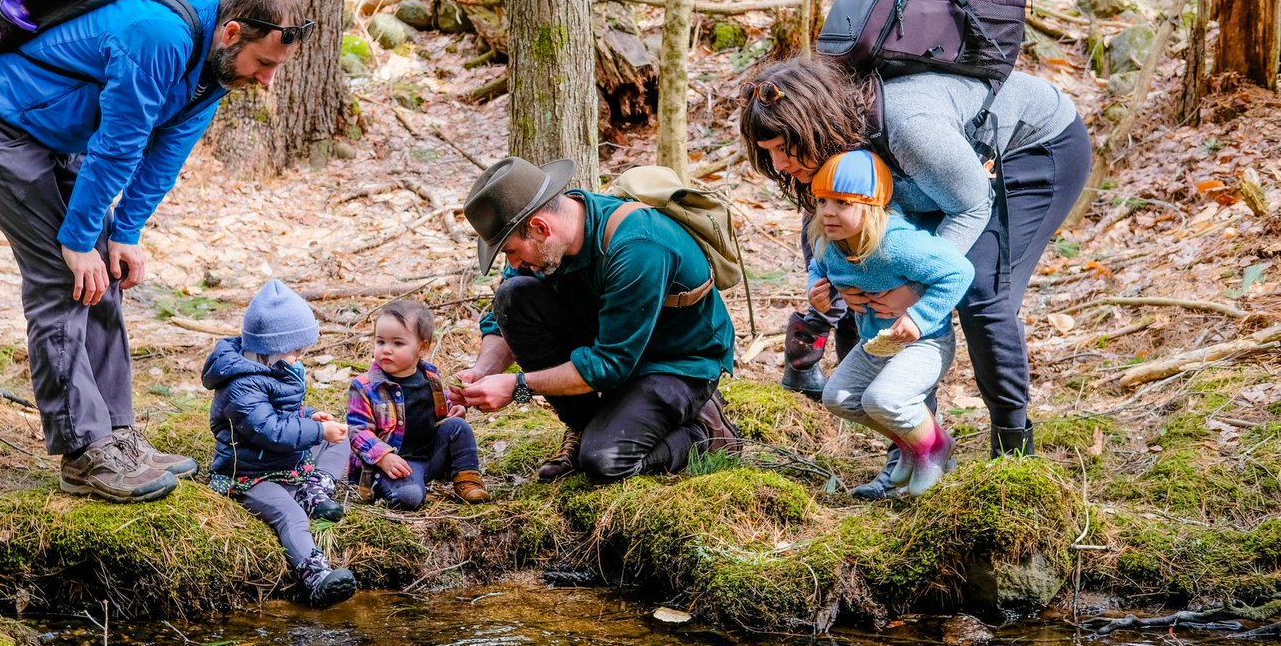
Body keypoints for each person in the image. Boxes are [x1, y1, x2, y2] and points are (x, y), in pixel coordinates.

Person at [0, 0, 314, 503]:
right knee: (62, 275)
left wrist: (125, 233)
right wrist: (77, 239)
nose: (269, 80)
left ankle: (115, 434)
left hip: (53, 128)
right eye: (266, 64)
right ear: (231, 33)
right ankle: (81, 452)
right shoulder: (159, 37)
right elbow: (118, 146)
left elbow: (166, 154)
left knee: (103, 271)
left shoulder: (216, 69)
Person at [738, 57, 1093, 497]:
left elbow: (971, 205)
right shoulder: (838, 156)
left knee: (981, 290)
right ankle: (911, 450)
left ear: (814, 127)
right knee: (865, 284)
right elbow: (828, 245)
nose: (778, 163)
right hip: (943, 178)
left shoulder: (907, 128)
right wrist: (836, 289)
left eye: (782, 148)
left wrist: (915, 291)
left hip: (1031, 150)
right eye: (767, 151)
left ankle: (1013, 455)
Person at [449, 156, 739, 484]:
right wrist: (481, 374)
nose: (513, 262)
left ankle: (705, 432)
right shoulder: (541, 247)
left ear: (541, 228)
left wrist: (518, 387)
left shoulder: (637, 246)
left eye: (511, 251)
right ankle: (586, 427)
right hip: (612, 345)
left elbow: (609, 365)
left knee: (604, 461)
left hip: (677, 363)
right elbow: (501, 318)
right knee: (513, 297)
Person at [805, 150, 973, 495]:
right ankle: (918, 446)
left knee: (883, 399)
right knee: (839, 397)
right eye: (822, 202)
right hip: (876, 343)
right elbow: (818, 269)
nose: (828, 212)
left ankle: (933, 450)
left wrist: (918, 317)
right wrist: (818, 291)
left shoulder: (895, 243)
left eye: (842, 202)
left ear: (871, 207)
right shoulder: (830, 243)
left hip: (923, 343)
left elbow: (959, 271)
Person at [202, 279, 357, 607]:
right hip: (249, 474)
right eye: (295, 349)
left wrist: (313, 418)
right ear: (269, 346)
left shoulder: (275, 368)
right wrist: (314, 432)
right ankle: (315, 574)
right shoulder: (241, 387)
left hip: (285, 464)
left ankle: (314, 489)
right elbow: (271, 430)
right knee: (291, 516)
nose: (300, 357)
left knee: (342, 439)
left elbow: (289, 413)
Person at [346, 300, 490, 509]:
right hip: (392, 464)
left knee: (459, 428)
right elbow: (357, 431)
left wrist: (453, 409)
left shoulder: (430, 376)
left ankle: (466, 479)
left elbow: (437, 410)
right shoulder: (365, 386)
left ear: (422, 347)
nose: (386, 350)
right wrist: (383, 457)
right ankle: (396, 487)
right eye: (380, 342)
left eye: (397, 343)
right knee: (409, 498)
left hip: (427, 456)